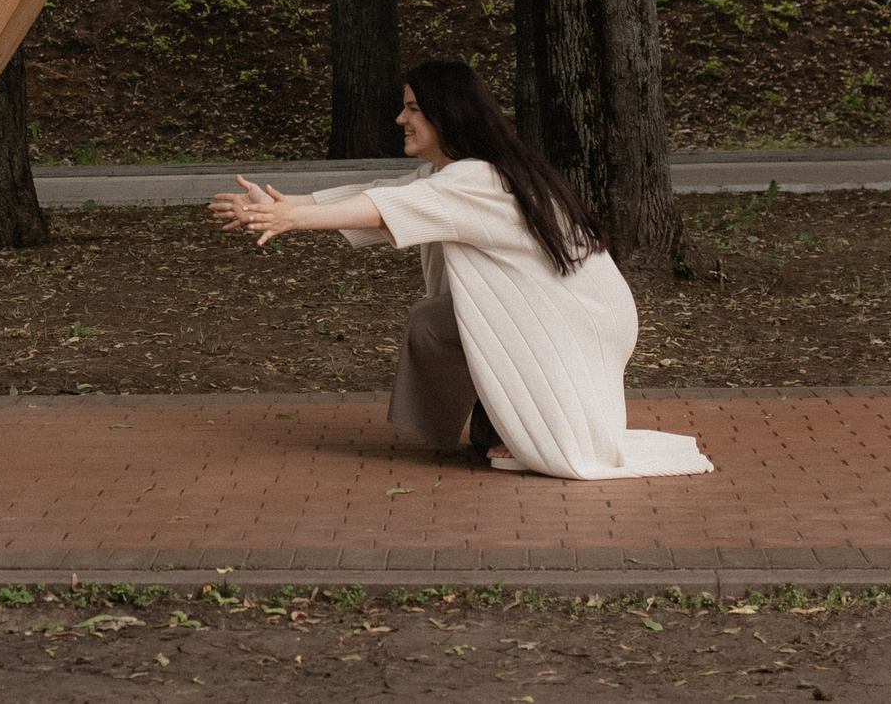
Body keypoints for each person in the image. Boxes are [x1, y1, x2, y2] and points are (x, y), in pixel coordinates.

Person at [210, 61, 712, 479]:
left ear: (446, 115)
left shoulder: (476, 177)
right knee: (435, 323)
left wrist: (289, 218)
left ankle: (515, 429)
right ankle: (487, 423)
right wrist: (282, 203)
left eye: (412, 108)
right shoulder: (456, 173)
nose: (400, 118)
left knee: (473, 328)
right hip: (572, 310)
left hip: (578, 318)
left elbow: (386, 208)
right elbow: (390, 197)